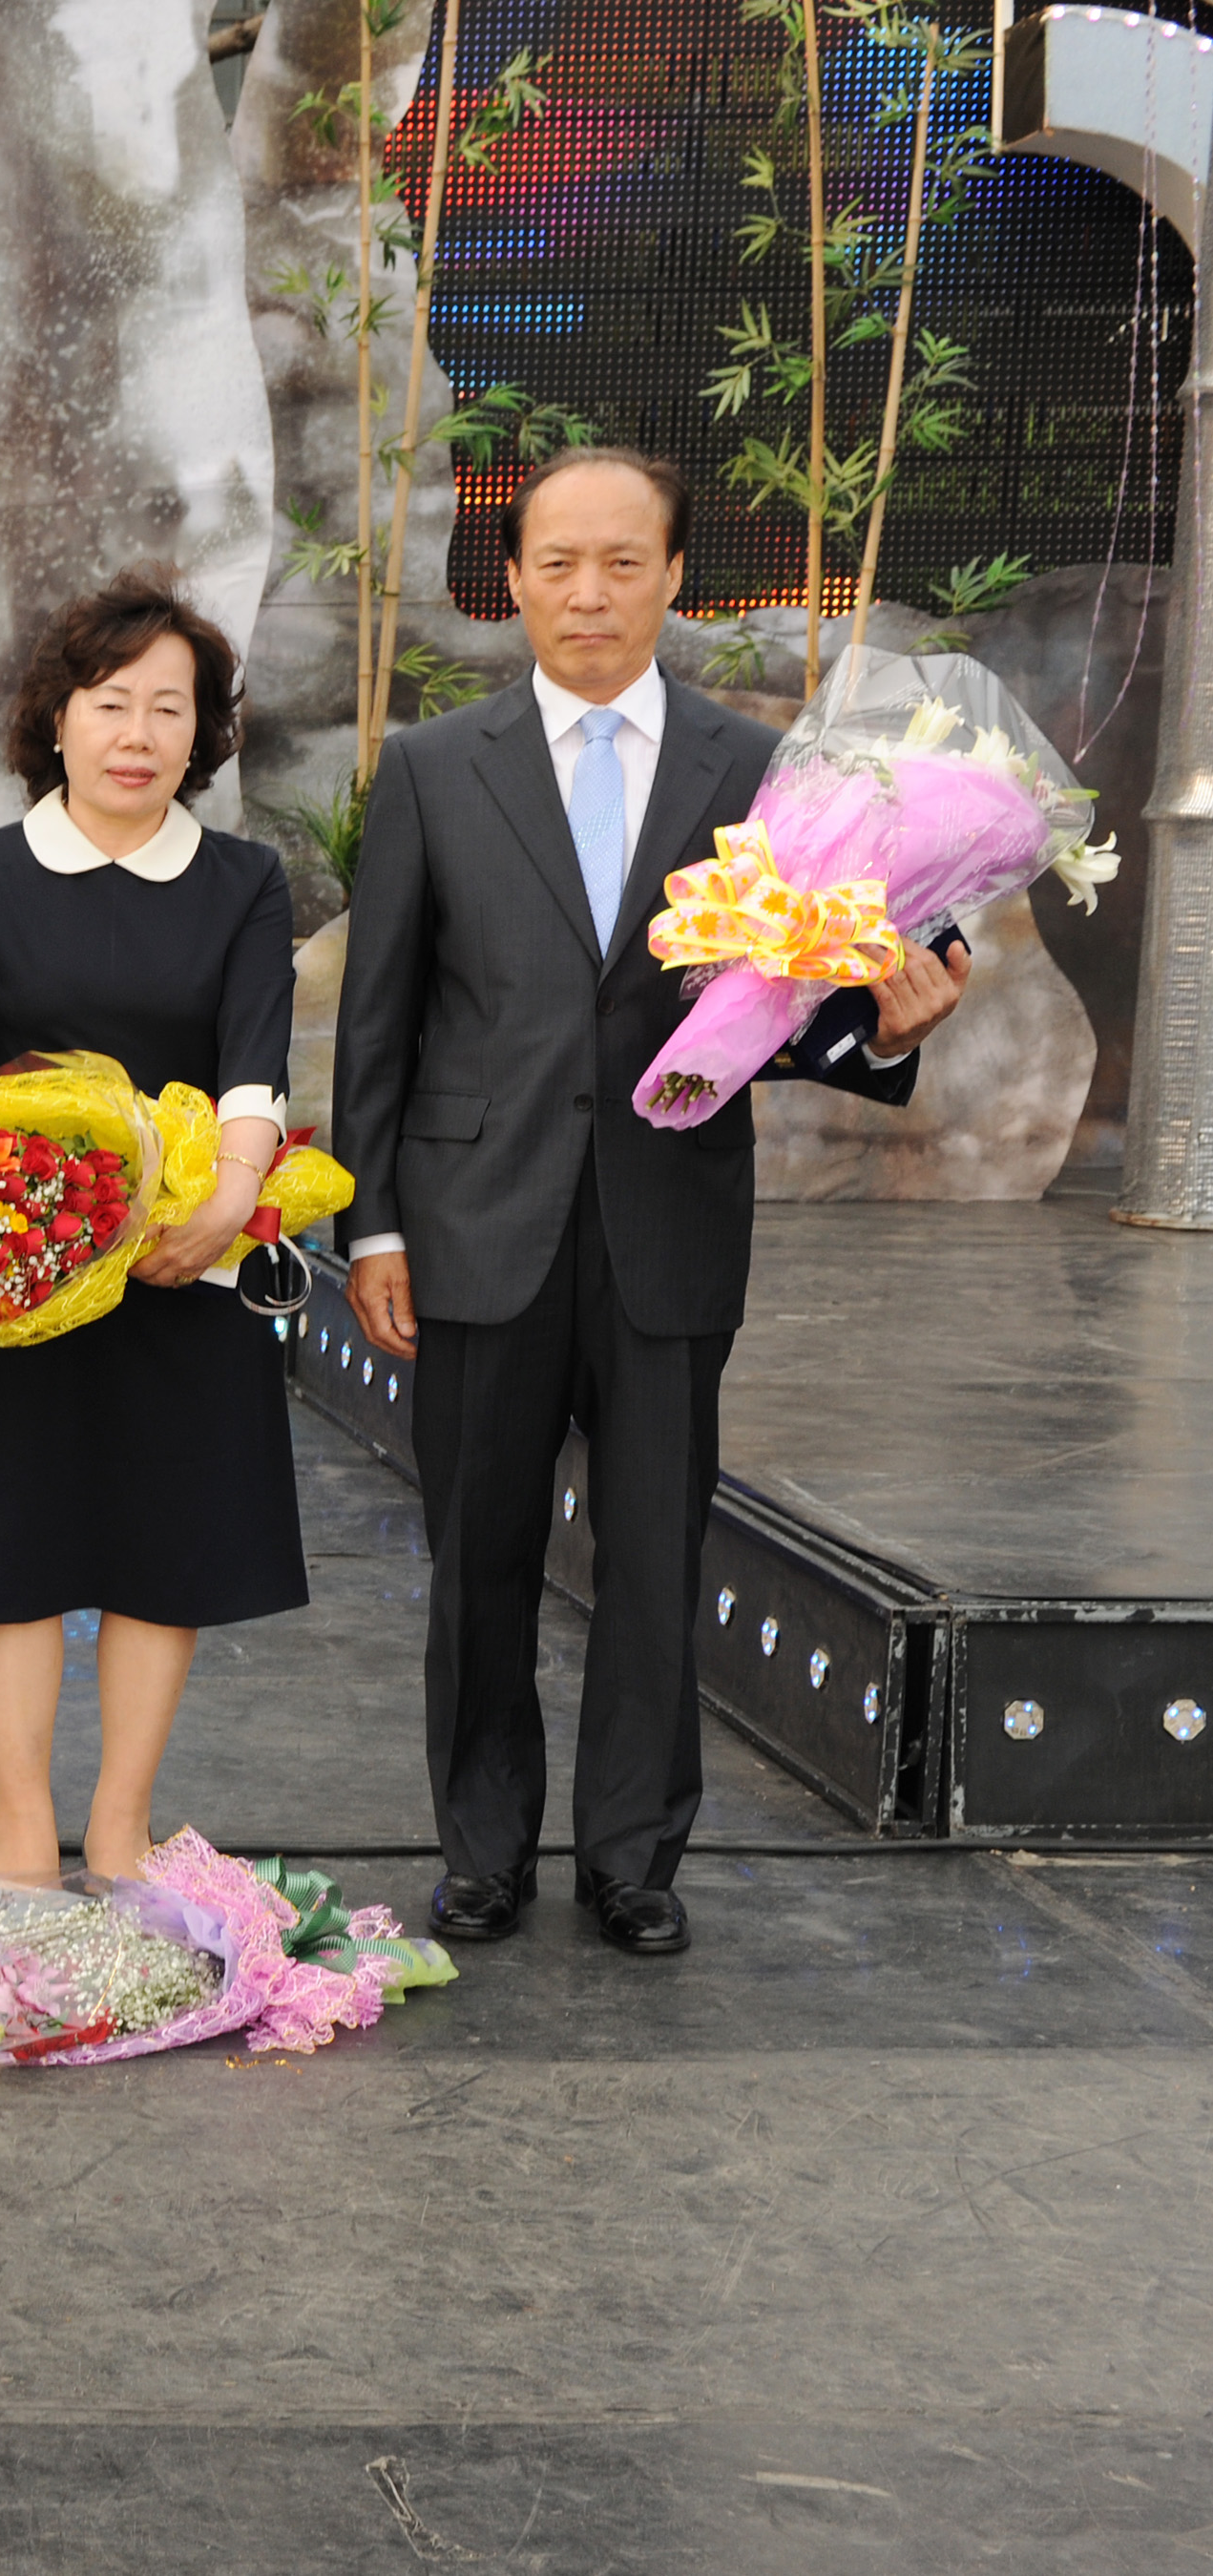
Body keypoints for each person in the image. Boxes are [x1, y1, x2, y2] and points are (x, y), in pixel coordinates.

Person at [334, 447, 969, 1958]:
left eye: (623, 562)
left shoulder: (756, 775)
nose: (589, 593)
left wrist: (885, 1026)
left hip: (666, 1222)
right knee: (477, 1563)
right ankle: (480, 1849)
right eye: (557, 562)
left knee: (653, 1560)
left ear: (675, 577)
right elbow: (379, 1017)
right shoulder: (433, 766)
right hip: (477, 1222)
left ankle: (634, 1857)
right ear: (509, 579)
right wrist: (370, 1224)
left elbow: (798, 1006)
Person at [0, 574, 304, 1884]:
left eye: (167, 708)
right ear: (57, 720)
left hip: (190, 1264)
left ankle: (121, 1822)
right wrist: (47, 1226)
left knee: (162, 1548)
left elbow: (254, 1065)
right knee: (15, 1546)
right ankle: (20, 1819)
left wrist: (225, 1201)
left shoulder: (242, 882)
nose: (136, 733)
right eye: (109, 702)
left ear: (203, 734)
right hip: (21, 1269)